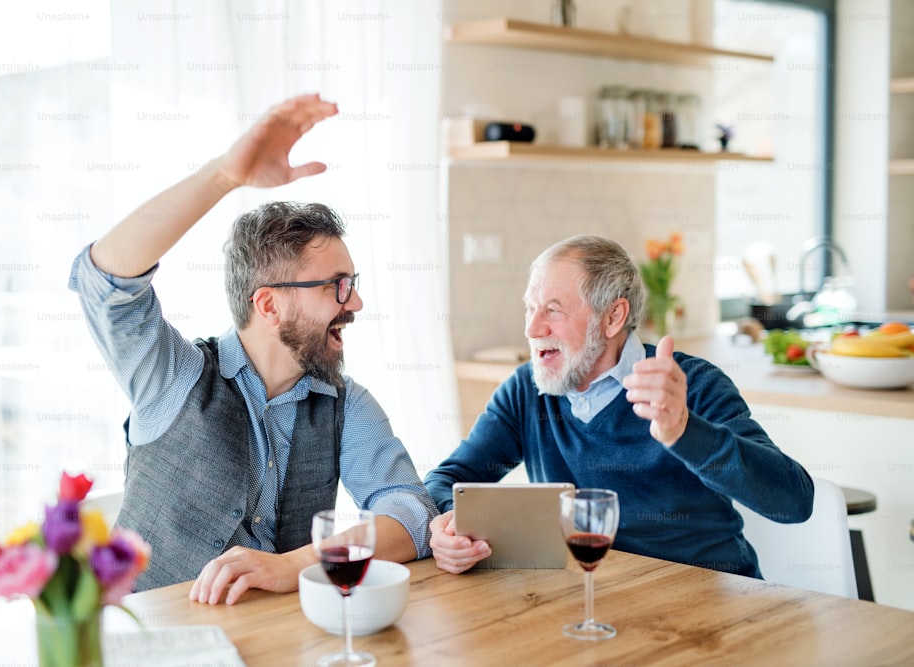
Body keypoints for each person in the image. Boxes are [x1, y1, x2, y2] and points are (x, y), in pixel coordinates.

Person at [68, 93, 437, 604]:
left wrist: (294, 566)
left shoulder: (346, 404)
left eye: (352, 282)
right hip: (144, 642)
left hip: (275, 644)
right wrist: (224, 176)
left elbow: (410, 514)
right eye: (336, 285)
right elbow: (104, 279)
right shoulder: (173, 377)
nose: (356, 302)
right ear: (268, 304)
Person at [425, 234, 814, 578]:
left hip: (707, 602)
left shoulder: (691, 386)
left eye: (553, 310)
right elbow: (449, 479)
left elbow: (793, 501)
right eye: (531, 308)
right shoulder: (525, 391)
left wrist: (683, 430)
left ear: (613, 317)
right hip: (594, 599)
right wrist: (448, 524)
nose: (532, 329)